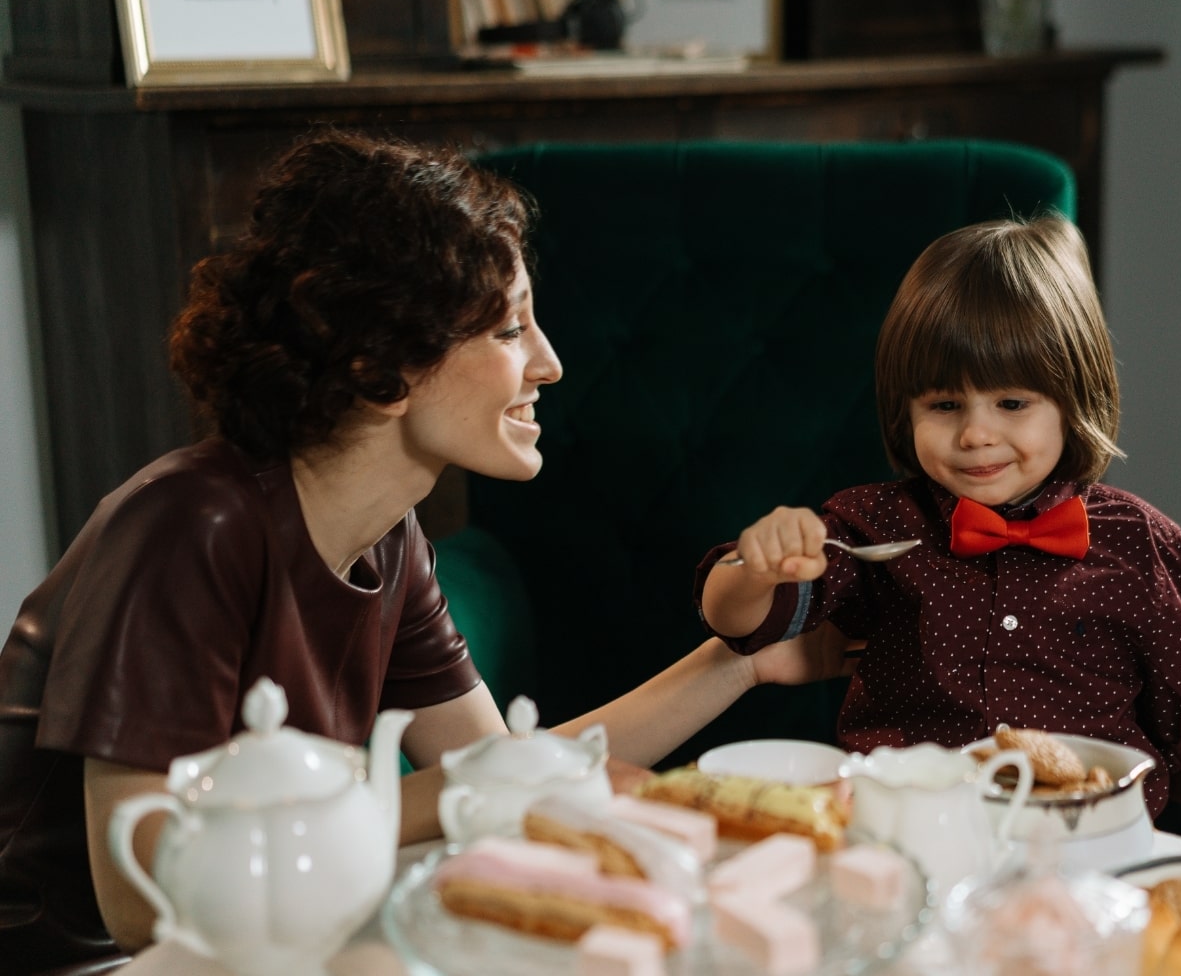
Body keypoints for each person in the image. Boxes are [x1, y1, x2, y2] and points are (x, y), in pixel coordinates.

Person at [0, 129, 856, 974]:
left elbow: (508, 765)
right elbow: (137, 904)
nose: (550, 364)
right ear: (384, 367)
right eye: (509, 331)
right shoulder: (189, 526)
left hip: (268, 938)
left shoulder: (390, 538)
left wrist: (738, 661)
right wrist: (441, 798)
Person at [696, 216, 1181, 849]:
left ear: (1074, 399)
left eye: (1012, 404)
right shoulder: (873, 528)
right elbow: (739, 622)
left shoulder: (1141, 544)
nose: (975, 435)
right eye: (945, 406)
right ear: (906, 410)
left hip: (1091, 849)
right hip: (907, 841)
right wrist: (756, 567)